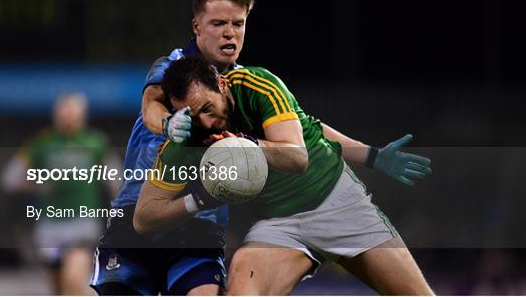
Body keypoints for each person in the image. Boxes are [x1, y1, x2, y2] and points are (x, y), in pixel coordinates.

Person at [134, 54, 434, 295]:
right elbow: (144, 218)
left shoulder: (258, 85)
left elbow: (297, 157)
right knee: (243, 274)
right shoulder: (186, 139)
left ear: (222, 85)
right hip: (279, 225)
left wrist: (244, 145)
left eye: (208, 108)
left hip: (338, 202)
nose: (207, 123)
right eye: (193, 116)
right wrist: (198, 199)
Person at [89, 0, 255, 295]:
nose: (229, 33)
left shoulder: (248, 87)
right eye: (219, 23)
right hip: (137, 215)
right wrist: (168, 124)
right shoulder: (173, 66)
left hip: (199, 223)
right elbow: (151, 103)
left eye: (238, 23)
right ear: (197, 27)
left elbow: (295, 127)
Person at [1, 93, 121, 295]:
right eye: (63, 113)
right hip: (50, 226)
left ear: (83, 116)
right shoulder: (42, 143)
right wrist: (37, 182)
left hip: (83, 222)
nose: (68, 119)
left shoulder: (95, 143)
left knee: (73, 278)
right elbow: (9, 179)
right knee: (57, 287)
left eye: (73, 114)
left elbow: (115, 179)